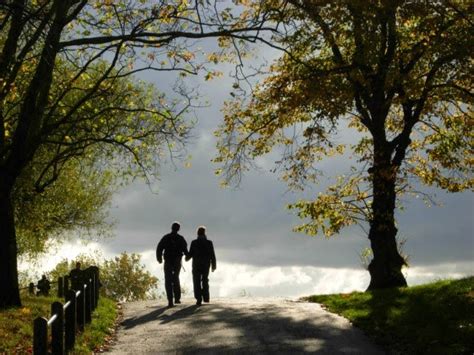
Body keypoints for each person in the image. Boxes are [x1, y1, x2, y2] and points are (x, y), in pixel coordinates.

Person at [156, 222, 188, 307]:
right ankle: (177, 298)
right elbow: (185, 249)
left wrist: (159, 258)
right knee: (176, 278)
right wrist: (187, 256)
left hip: (168, 261)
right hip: (177, 261)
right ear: (178, 229)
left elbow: (159, 248)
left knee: (168, 280)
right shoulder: (181, 238)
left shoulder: (166, 237)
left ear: (171, 228)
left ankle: (170, 300)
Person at [186, 226, 216, 306]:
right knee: (205, 280)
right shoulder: (209, 243)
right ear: (204, 233)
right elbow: (212, 255)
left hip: (196, 265)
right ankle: (206, 297)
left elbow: (190, 254)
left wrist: (186, 258)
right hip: (206, 265)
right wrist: (213, 265)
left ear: (197, 233)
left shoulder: (194, 242)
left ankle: (198, 298)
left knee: (196, 281)